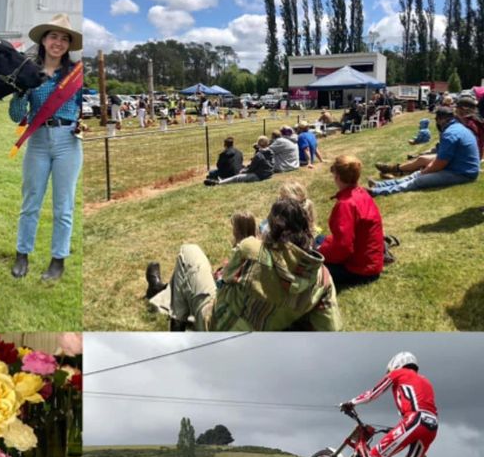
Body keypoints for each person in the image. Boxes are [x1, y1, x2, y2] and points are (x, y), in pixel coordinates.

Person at [147, 197, 342, 331]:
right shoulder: (322, 277)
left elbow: (223, 281)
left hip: (216, 327)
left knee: (189, 252)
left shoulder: (252, 250)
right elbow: (330, 327)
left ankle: (176, 326)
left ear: (273, 227)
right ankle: (162, 290)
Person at [7, 13, 83, 283]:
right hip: (38, 141)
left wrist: (84, 122)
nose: (58, 42)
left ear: (69, 45)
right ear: (43, 40)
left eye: (64, 39)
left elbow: (89, 109)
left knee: (64, 206)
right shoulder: (30, 71)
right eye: (54, 36)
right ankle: (22, 255)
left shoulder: (77, 75)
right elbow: (17, 115)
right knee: (31, 201)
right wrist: (19, 91)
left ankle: (57, 260)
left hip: (68, 142)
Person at [340, 352, 438, 457]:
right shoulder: (426, 381)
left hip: (414, 419)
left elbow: (372, 394)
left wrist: (351, 402)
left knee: (375, 456)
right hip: (432, 424)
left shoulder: (397, 373)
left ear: (396, 364)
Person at [145, 211, 257, 314]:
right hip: (239, 298)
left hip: (221, 301)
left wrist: (218, 276)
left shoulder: (239, 252)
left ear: (237, 230)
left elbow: (226, 281)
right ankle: (161, 288)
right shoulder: (259, 250)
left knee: (190, 269)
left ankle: (159, 290)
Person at [370, 106, 479, 196]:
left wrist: (425, 171)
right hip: (460, 167)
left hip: (463, 173)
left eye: (437, 119)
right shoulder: (457, 127)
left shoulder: (450, 134)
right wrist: (425, 170)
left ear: (442, 119)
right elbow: (442, 158)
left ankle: (377, 191)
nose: (437, 122)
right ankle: (380, 185)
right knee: (419, 173)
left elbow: (440, 164)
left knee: (420, 180)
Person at [318, 155, 384, 288]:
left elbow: (343, 248)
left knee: (305, 266)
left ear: (337, 176)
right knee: (317, 239)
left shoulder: (346, 204)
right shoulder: (362, 193)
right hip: (371, 261)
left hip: (359, 270)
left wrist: (320, 253)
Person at [206, 135, 275, 185]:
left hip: (260, 175)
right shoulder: (271, 152)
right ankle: (223, 180)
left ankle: (219, 183)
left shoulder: (259, 155)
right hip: (269, 173)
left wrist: (244, 171)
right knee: (241, 172)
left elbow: (251, 169)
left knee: (238, 177)